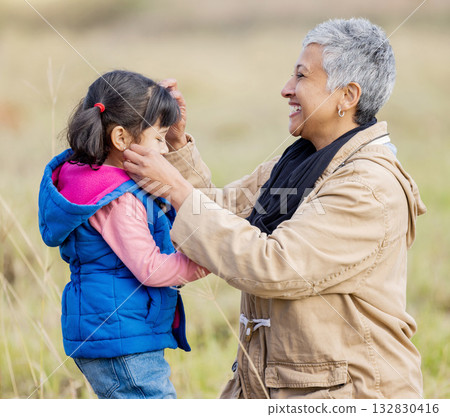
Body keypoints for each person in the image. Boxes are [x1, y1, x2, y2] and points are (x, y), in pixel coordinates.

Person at [123, 18, 427, 399]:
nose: (286, 89)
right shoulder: (300, 161)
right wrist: (177, 145)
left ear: (348, 96)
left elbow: (273, 264)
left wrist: (175, 188)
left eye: (301, 76)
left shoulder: (367, 187)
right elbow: (225, 215)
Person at [38, 70, 208, 399]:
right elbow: (152, 268)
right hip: (121, 338)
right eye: (158, 138)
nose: (163, 148)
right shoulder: (119, 200)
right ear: (120, 139)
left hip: (112, 331)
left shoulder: (93, 181)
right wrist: (207, 261)